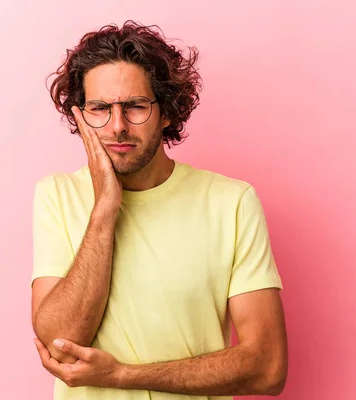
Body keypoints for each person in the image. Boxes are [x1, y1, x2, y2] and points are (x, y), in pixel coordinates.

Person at [30, 20, 288, 400]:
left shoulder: (231, 202)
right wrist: (105, 207)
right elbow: (60, 343)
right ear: (81, 118)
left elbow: (267, 368)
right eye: (100, 108)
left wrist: (121, 376)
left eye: (135, 106)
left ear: (166, 112)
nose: (117, 127)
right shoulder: (57, 195)